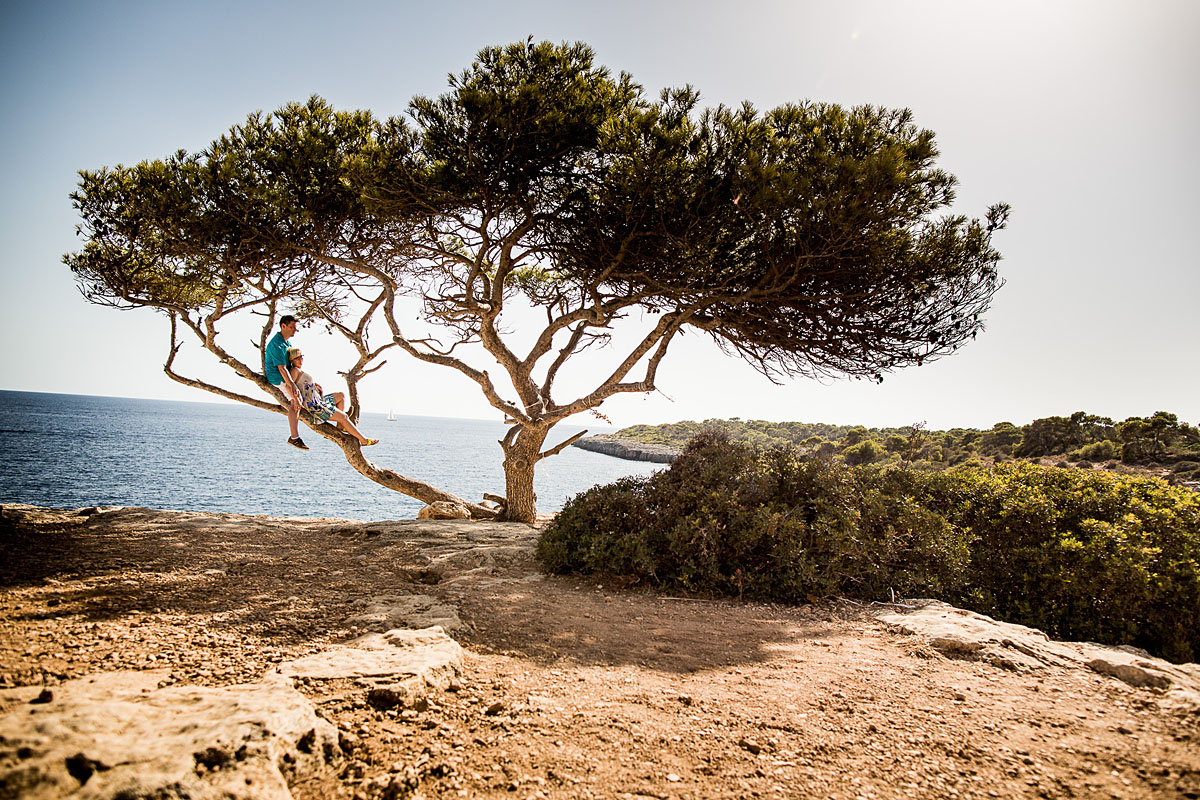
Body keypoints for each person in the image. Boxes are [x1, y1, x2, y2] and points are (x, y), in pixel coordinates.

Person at [286, 348, 379, 447]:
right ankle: (363, 440)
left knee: (341, 396)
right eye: (297, 358)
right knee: (344, 417)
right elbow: (289, 386)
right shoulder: (294, 371)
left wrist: (314, 386)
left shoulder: (299, 370)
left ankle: (339, 426)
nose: (300, 360)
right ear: (291, 361)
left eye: (301, 357)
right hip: (314, 406)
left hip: (319, 400)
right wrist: (295, 400)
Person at [264, 315, 308, 450]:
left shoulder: (287, 343)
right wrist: (291, 385)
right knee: (295, 402)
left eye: (295, 327)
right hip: (278, 378)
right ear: (283, 326)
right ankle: (294, 437)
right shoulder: (277, 344)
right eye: (292, 327)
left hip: (287, 375)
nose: (295, 330)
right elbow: (282, 368)